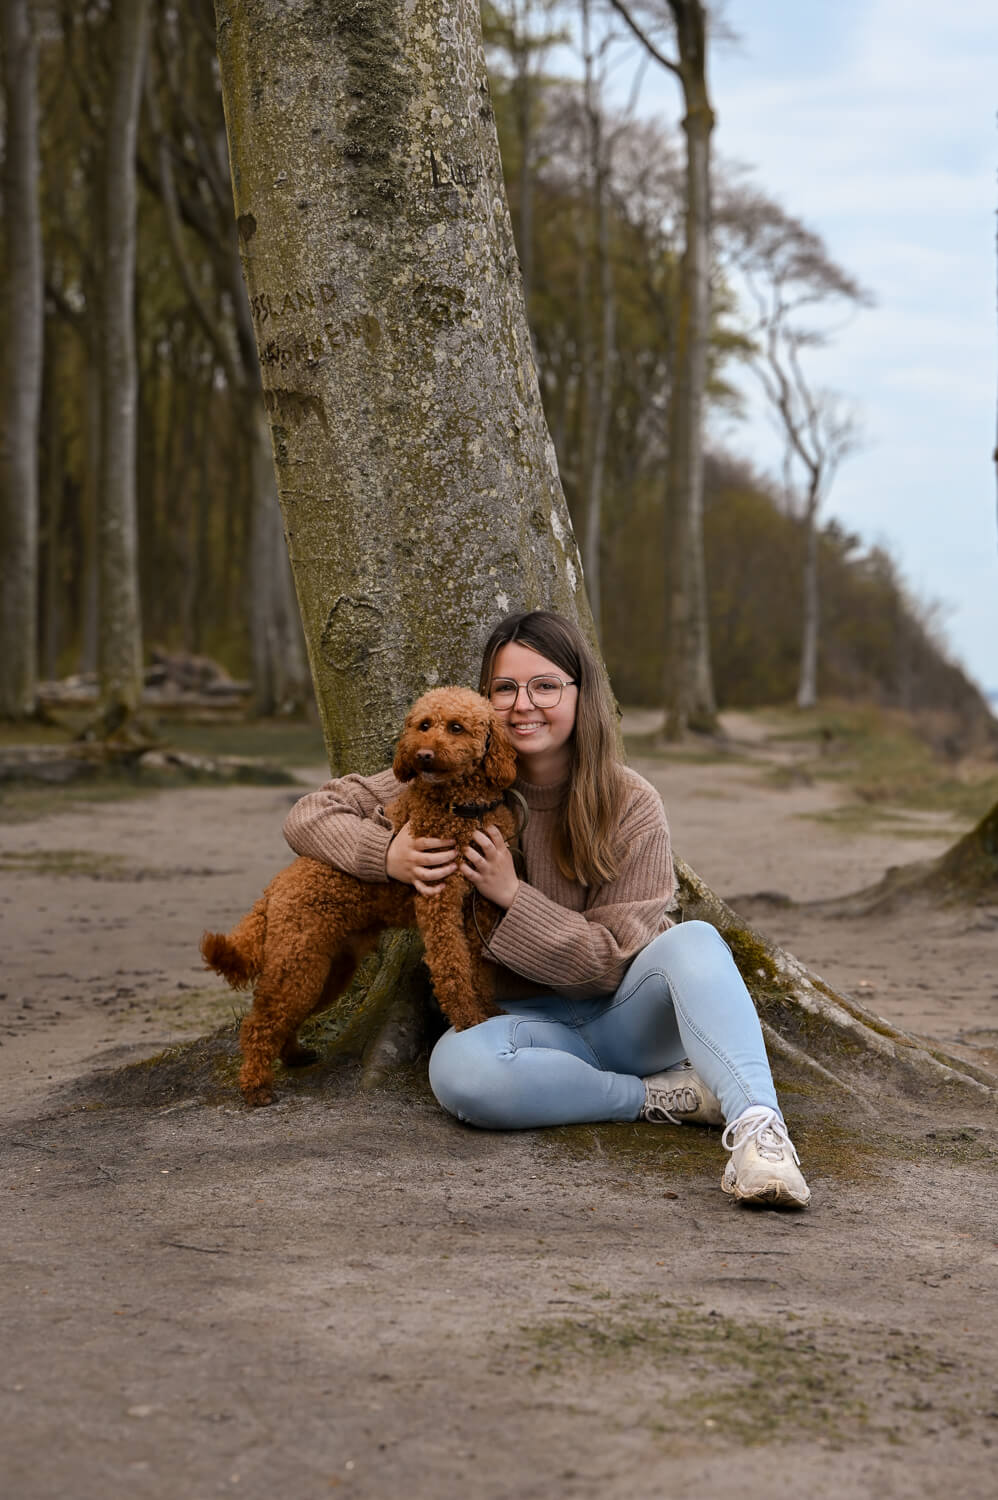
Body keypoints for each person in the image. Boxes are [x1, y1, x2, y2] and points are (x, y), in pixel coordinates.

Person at [283, 610, 810, 1208]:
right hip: (529, 1034)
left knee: (695, 943)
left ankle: (760, 1133)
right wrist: (388, 854)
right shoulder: (447, 774)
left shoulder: (629, 801)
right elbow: (308, 815)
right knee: (460, 1073)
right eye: (505, 689)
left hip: (627, 1017)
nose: (523, 705)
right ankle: (661, 1099)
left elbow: (611, 962)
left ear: (580, 695)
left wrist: (513, 896)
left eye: (546, 686)